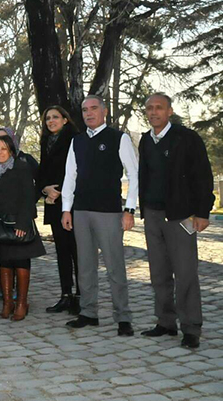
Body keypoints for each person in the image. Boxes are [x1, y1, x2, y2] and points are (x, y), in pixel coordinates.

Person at [138, 93, 215, 349]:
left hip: (181, 216)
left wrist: (203, 212)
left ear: (169, 111)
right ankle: (165, 322)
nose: (153, 112)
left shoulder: (187, 138)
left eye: (159, 108)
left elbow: (203, 176)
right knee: (158, 273)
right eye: (149, 108)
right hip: (152, 215)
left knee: (185, 273)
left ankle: (191, 327)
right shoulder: (146, 140)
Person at [61, 95, 138, 336]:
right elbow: (69, 176)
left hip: (109, 212)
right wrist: (66, 208)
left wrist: (130, 210)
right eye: (85, 110)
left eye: (94, 108)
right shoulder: (77, 141)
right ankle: (88, 313)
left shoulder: (119, 138)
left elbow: (134, 175)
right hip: (81, 211)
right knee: (85, 266)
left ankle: (123, 317)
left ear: (104, 112)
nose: (89, 113)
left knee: (115, 266)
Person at [0, 135, 46, 321]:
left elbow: (29, 196)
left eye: (4, 148)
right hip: (0, 224)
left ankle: (21, 303)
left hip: (20, 222)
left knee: (20, 261)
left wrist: (23, 222)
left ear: (11, 150)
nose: (0, 152)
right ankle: (7, 303)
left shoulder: (21, 167)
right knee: (4, 262)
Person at [36, 106, 80, 314]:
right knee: (62, 251)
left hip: (72, 203)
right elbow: (42, 171)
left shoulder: (76, 139)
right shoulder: (46, 142)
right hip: (53, 203)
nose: (51, 121)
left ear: (65, 120)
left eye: (55, 117)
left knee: (77, 251)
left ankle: (81, 296)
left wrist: (61, 192)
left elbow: (77, 171)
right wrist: (45, 189)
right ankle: (65, 295)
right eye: (47, 119)